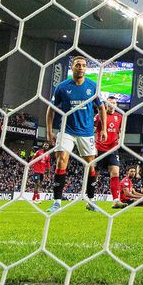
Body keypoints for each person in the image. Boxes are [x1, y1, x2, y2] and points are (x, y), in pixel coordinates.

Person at [46, 56, 107, 214]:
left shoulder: (92, 86)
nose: (81, 67)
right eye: (78, 65)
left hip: (86, 132)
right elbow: (50, 109)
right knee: (61, 161)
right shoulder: (62, 87)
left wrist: (104, 129)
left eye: (84, 65)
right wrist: (49, 131)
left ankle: (91, 201)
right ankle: (57, 202)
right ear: (72, 67)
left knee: (90, 166)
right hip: (66, 130)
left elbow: (101, 108)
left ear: (86, 69)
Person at [93, 96, 125, 206]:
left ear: (117, 105)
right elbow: (92, 130)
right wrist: (92, 146)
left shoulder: (120, 117)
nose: (111, 105)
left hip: (112, 149)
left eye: (114, 103)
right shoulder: (99, 116)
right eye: (109, 103)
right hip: (99, 149)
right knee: (94, 174)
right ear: (105, 104)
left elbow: (120, 131)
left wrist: (119, 140)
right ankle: (90, 198)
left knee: (115, 172)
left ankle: (116, 200)